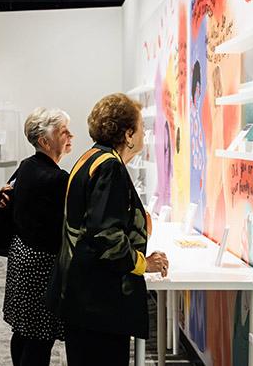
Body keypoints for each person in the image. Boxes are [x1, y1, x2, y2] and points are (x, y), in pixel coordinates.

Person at [48, 93, 169, 366]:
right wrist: (144, 264)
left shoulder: (90, 158)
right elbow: (108, 237)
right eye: (141, 127)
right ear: (128, 134)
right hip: (97, 302)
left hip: (79, 295)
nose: (144, 133)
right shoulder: (110, 167)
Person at [0, 107, 74, 366]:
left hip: (22, 257)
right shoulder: (58, 179)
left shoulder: (27, 166)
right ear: (45, 140)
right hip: (42, 264)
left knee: (22, 330)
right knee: (40, 338)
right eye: (64, 131)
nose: (70, 136)